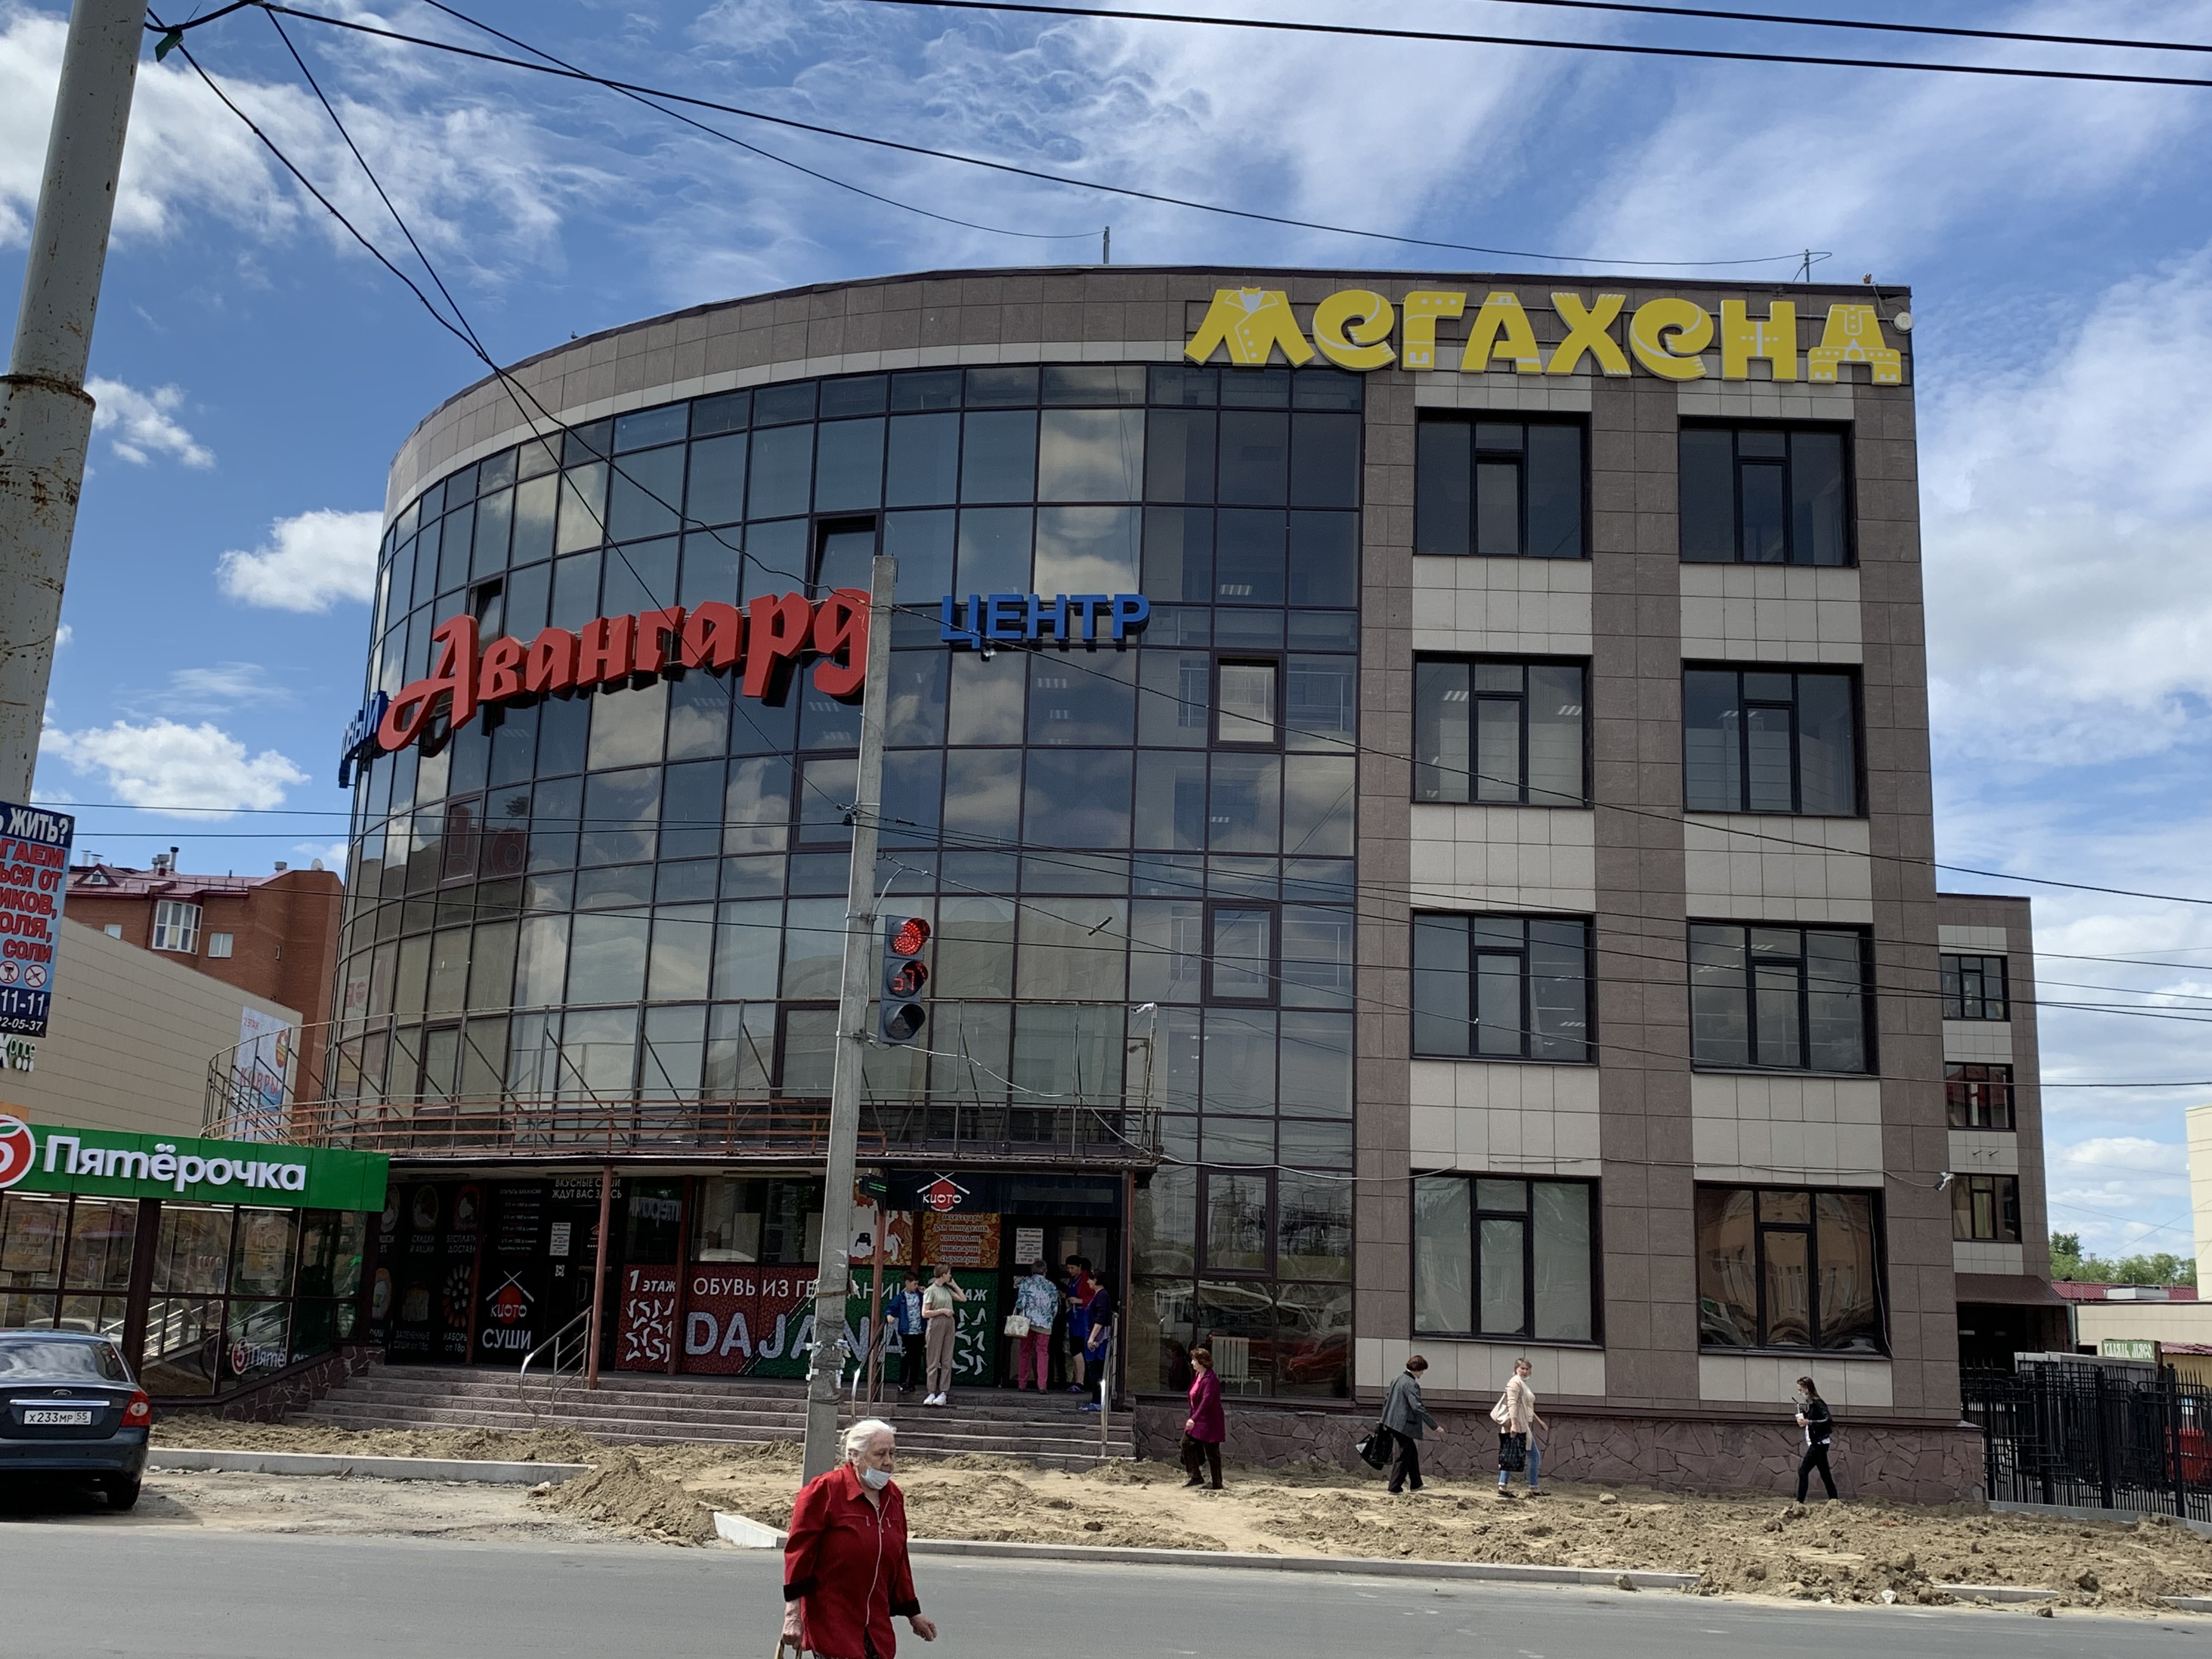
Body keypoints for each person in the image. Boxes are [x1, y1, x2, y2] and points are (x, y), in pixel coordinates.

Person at [782, 1418, 937, 1659]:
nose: (889, 1462)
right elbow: (799, 1555)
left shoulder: (894, 1497)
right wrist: (793, 1615)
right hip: (833, 1623)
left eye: (893, 1453)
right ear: (855, 1455)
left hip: (876, 1628)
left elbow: (899, 1560)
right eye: (880, 1454)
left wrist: (913, 1613)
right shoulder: (824, 1490)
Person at [1380, 1353, 1442, 1494]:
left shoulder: (1397, 1379)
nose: (1422, 1374)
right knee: (1406, 1453)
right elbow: (1417, 1407)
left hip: (1391, 1421)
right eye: (1422, 1371)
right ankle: (1395, 1487)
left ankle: (1416, 1484)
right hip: (1403, 1425)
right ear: (1417, 1370)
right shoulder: (1411, 1384)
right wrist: (1434, 1426)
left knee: (1411, 1451)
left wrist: (1384, 1419)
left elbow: (1387, 1400)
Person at [1490, 1357, 1547, 1494]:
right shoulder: (1515, 1383)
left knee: (1510, 1453)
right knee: (1533, 1455)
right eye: (1522, 1368)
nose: (1525, 1371)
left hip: (1523, 1423)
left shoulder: (1523, 1384)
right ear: (1516, 1369)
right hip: (1517, 1425)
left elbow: (1527, 1407)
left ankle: (1503, 1486)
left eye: (1527, 1369)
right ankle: (1534, 1487)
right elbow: (1512, 1404)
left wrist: (1538, 1421)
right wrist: (1514, 1424)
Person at [919, 1263, 967, 1407]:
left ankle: (943, 1392)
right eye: (949, 1273)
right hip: (936, 1322)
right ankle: (931, 1392)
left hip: (949, 1323)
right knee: (933, 1359)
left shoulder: (947, 1289)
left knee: (947, 1358)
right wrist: (942, 1311)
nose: (950, 1275)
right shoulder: (931, 1290)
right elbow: (925, 1313)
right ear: (943, 1274)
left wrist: (954, 1284)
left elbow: (963, 1298)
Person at [1181, 1345, 1226, 1489]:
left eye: (1194, 1360)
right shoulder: (1198, 1375)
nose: (1192, 1363)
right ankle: (1195, 1476)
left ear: (1202, 1362)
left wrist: (1193, 1419)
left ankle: (1217, 1483)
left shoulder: (1211, 1379)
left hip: (1210, 1421)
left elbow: (1207, 1401)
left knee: (1212, 1452)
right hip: (1198, 1419)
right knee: (1187, 1443)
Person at [1013, 1260, 1058, 1392]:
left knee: (1025, 1352)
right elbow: (1055, 1307)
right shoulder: (1051, 1286)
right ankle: (1042, 1385)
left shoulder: (1026, 1284)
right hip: (1045, 1322)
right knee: (1043, 1353)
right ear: (1045, 1271)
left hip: (1027, 1322)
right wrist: (1049, 1318)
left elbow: (1021, 1303)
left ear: (1032, 1271)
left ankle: (1022, 1384)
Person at [1795, 1375, 1838, 1502]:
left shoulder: (1818, 1403)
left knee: (1803, 1471)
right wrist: (1803, 1414)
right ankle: (1834, 1500)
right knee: (1825, 1474)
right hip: (1820, 1442)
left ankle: (1800, 1502)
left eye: (1800, 1390)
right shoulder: (1812, 1404)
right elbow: (1812, 1418)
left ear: (1807, 1389)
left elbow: (1828, 1420)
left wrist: (1809, 1422)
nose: (1800, 1393)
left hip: (1818, 1443)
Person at [1077, 1272, 1113, 1412]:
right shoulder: (1099, 1295)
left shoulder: (1102, 1296)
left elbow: (1100, 1319)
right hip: (1095, 1339)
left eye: (1090, 1280)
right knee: (1094, 1371)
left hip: (1098, 1342)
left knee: (1096, 1372)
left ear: (1096, 1280)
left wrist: (1092, 1338)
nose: (1088, 1282)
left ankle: (1098, 1402)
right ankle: (1096, 1401)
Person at [890, 1271, 925, 1396]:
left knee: (916, 1359)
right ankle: (902, 1383)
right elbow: (891, 1307)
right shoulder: (901, 1297)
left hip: (920, 1331)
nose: (916, 1286)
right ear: (907, 1283)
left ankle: (912, 1383)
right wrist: (889, 1315)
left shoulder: (920, 1295)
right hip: (907, 1332)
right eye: (914, 1284)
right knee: (906, 1358)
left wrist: (924, 1292)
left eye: (917, 1284)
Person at [1064, 1255, 1096, 1394]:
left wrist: (1079, 1301)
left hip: (1083, 1320)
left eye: (1073, 1268)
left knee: (1078, 1350)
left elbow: (1094, 1297)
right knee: (1076, 1350)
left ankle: (1081, 1382)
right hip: (1074, 1320)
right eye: (1068, 1268)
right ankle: (1080, 1381)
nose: (1070, 1271)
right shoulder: (1073, 1280)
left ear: (1080, 1267)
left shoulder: (1086, 1279)